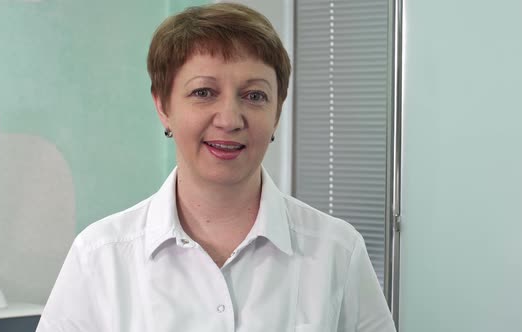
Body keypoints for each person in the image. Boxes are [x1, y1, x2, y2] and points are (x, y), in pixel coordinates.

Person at [36, 3, 396, 332]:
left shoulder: (337, 252)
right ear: (163, 106)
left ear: (277, 112)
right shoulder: (100, 256)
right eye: (203, 92)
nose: (229, 119)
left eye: (254, 96)